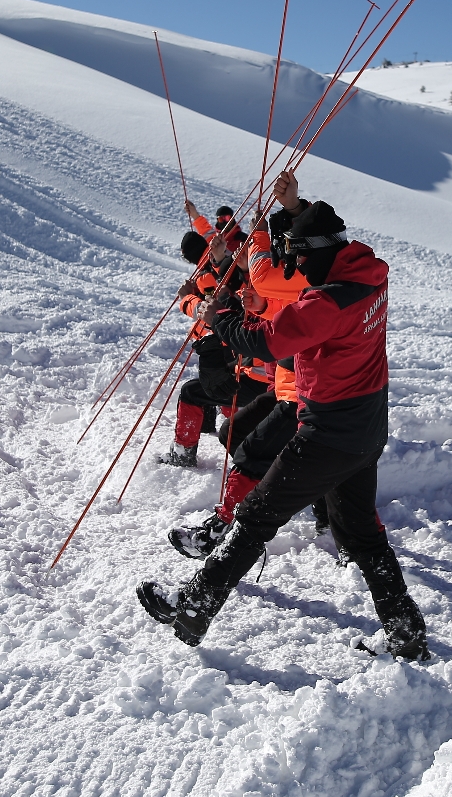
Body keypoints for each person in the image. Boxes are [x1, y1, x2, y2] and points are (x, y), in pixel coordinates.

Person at [139, 172, 429, 660]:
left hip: (328, 431)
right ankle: (406, 632)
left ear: (316, 253)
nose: (293, 266)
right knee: (363, 533)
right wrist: (294, 210)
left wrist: (221, 318)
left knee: (255, 517)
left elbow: (266, 344)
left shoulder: (325, 301)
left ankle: (193, 605)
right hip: (367, 426)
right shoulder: (370, 274)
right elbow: (314, 258)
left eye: (296, 256)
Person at [168, 198, 313, 556]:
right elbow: (237, 294)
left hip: (281, 385)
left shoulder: (277, 281)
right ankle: (267, 493)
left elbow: (232, 312)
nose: (243, 256)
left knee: (204, 402)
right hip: (275, 382)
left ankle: (226, 519)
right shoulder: (262, 278)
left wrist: (192, 304)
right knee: (233, 432)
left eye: (252, 252)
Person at [161, 203, 267, 468]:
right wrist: (195, 216)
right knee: (213, 377)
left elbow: (215, 308)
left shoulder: (216, 277)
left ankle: (184, 452)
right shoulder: (229, 258)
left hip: (253, 367)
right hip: (251, 361)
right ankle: (210, 421)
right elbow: (209, 235)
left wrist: (188, 300)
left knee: (203, 384)